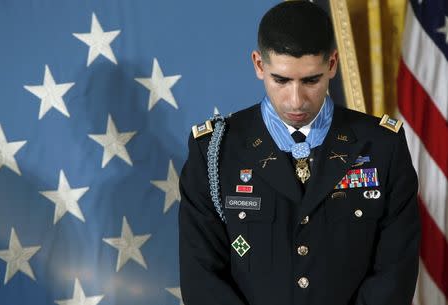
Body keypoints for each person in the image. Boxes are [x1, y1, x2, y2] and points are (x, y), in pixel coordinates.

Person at [178, 1, 420, 305]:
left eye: (310, 80)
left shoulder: (382, 146)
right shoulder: (215, 152)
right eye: (281, 80)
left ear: (332, 64)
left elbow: (394, 272)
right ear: (258, 64)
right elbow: (202, 278)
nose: (296, 101)